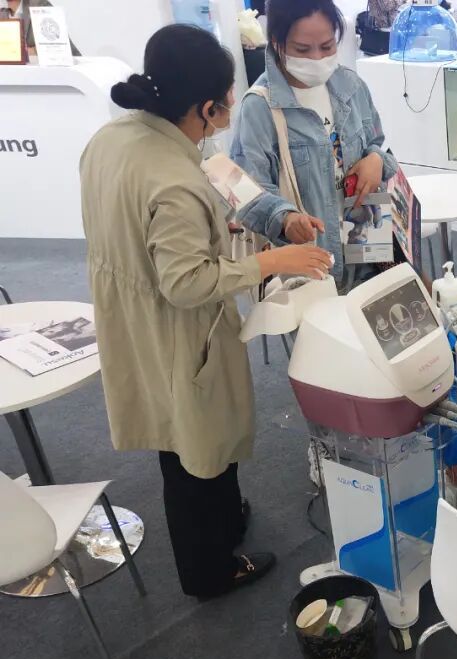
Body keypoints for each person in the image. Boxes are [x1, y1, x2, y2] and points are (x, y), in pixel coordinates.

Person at [80, 24, 333, 598]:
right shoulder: (174, 180)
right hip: (177, 326)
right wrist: (271, 262)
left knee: (185, 439)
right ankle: (210, 570)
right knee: (193, 447)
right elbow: (185, 282)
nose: (230, 108)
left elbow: (137, 229)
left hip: (129, 315)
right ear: (204, 107)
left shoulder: (114, 139)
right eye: (224, 100)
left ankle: (224, 523)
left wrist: (223, 229)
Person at [231, 0, 398, 273]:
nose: (317, 58)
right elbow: (246, 189)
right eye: (302, 49)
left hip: (367, 251)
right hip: (310, 264)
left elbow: (376, 144)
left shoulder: (351, 86)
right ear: (277, 43)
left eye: (327, 46)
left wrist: (376, 160)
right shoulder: (260, 106)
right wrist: (284, 217)